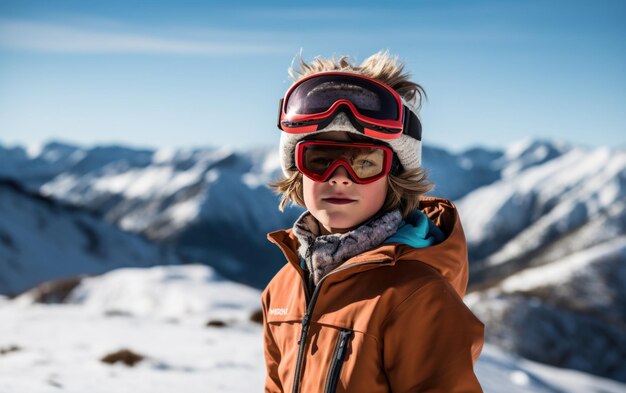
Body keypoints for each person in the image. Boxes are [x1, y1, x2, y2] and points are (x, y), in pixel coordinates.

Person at [262, 51, 484, 393]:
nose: (340, 178)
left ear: (394, 177)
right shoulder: (282, 289)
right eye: (320, 160)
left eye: (364, 163)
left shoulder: (418, 298)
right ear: (298, 171)